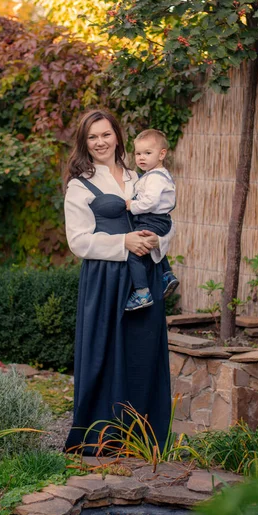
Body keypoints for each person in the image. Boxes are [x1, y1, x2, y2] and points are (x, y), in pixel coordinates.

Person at [63, 109, 172, 454]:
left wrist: (157, 243)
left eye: (106, 134)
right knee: (105, 355)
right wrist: (122, 243)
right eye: (92, 137)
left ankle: (144, 439)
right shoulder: (79, 185)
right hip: (106, 279)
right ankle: (104, 438)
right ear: (84, 142)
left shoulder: (138, 175)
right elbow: (79, 241)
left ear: (117, 136)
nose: (100, 142)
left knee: (143, 353)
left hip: (146, 274)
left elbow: (162, 217)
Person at [125, 129, 179, 312]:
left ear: (162, 154)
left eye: (148, 153)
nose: (141, 158)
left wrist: (131, 205)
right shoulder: (156, 174)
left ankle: (141, 293)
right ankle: (167, 275)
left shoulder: (155, 177)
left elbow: (150, 202)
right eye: (138, 153)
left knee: (134, 253)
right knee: (151, 246)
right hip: (160, 220)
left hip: (153, 219)